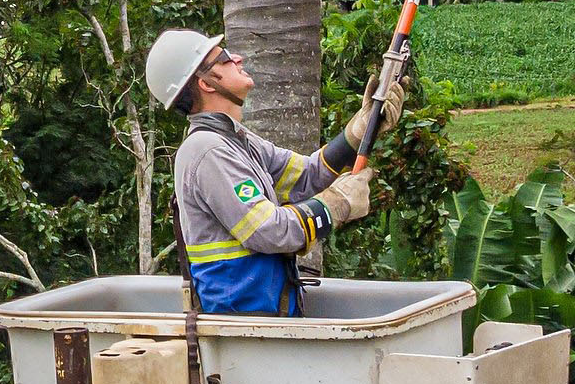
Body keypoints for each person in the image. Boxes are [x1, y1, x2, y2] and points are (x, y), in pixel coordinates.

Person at [144, 30, 405, 315]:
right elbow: (269, 231)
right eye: (224, 58)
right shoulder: (207, 151)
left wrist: (361, 128)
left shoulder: (236, 140)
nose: (237, 57)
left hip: (266, 321)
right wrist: (335, 205)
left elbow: (308, 175)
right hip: (243, 328)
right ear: (206, 83)